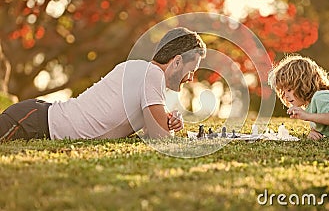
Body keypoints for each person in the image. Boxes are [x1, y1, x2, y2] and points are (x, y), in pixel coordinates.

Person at [0, 27, 206, 141]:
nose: (191, 78)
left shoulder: (145, 72)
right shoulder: (151, 74)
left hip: (38, 118)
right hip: (35, 121)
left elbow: (151, 132)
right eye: (192, 70)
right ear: (177, 61)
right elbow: (162, 138)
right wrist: (167, 127)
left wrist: (169, 120)